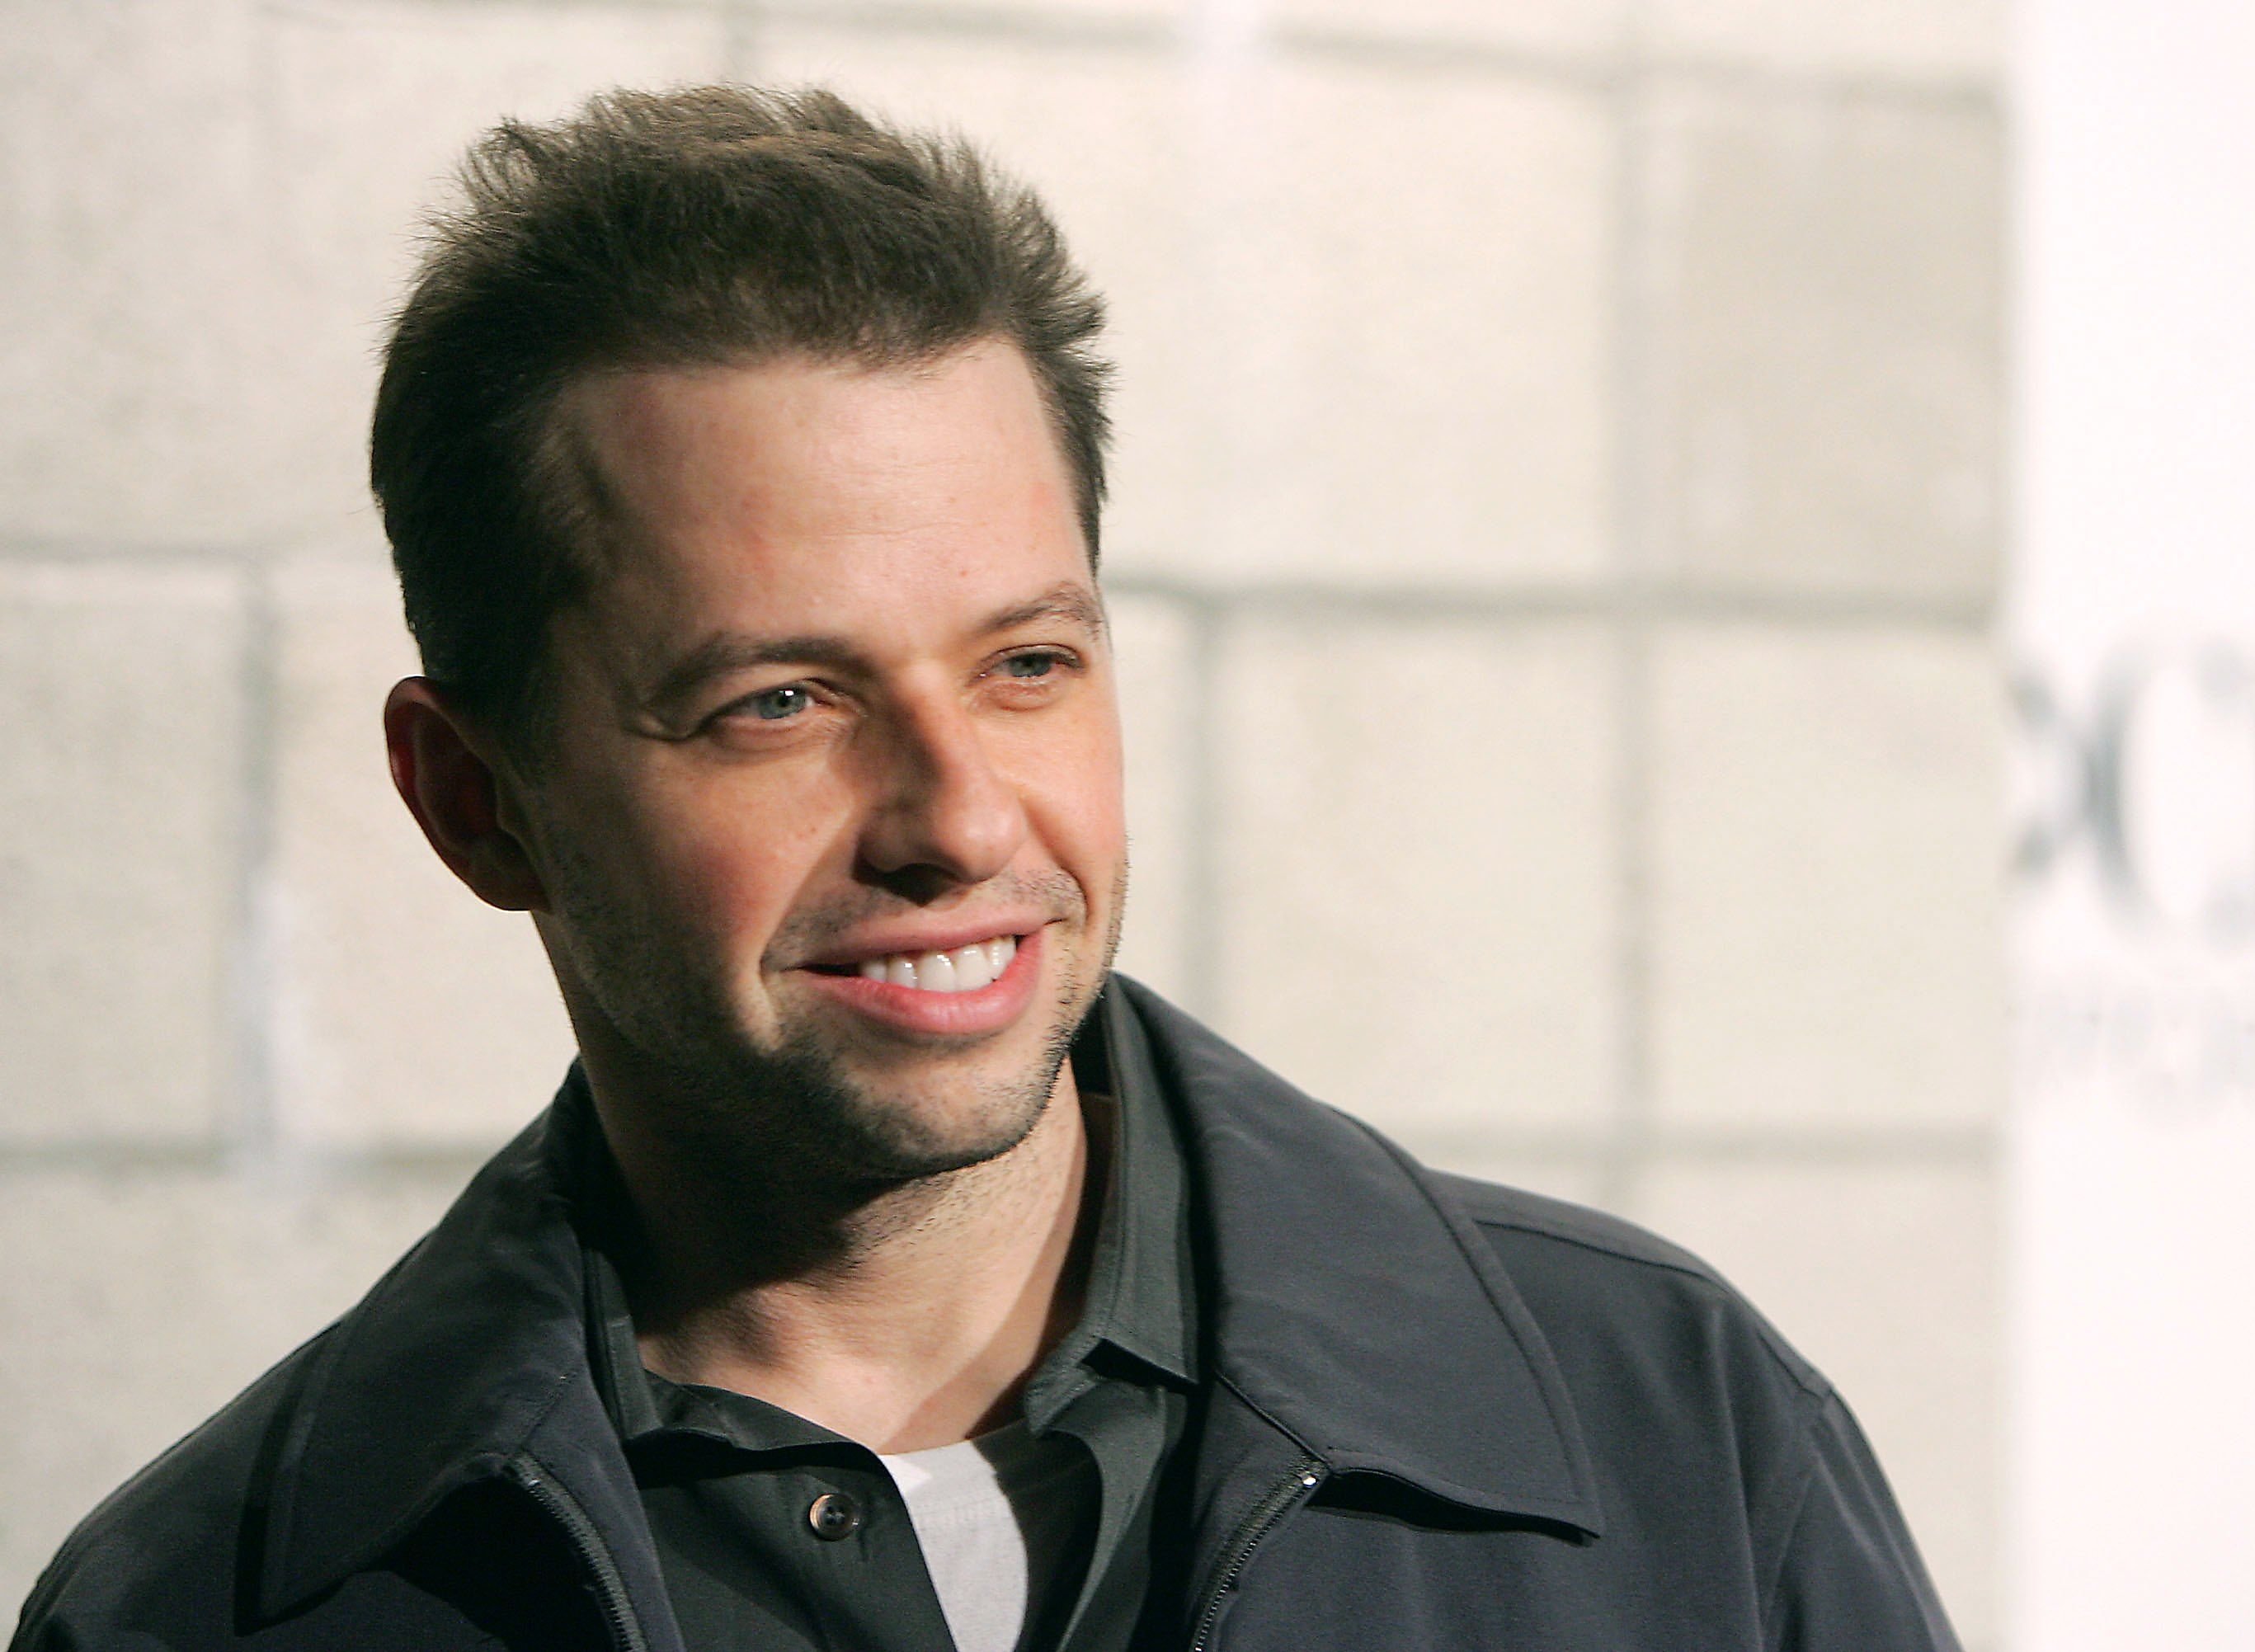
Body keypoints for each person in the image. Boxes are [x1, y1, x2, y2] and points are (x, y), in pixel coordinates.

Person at [11, 86, 1958, 1652]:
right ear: (472, 801)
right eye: (780, 700)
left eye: (1027, 666)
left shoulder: (1669, 1427)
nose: (958, 816)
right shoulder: (196, 1612)